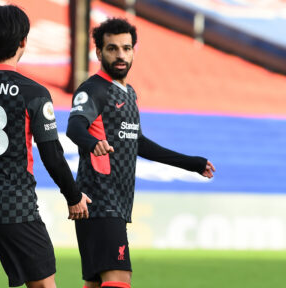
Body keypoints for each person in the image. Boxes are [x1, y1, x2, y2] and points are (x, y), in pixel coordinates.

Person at [0, 4, 91, 288]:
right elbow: (51, 154)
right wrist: (73, 196)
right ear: (23, 41)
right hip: (16, 210)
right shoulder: (33, 93)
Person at [66, 18, 216, 288]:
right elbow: (75, 127)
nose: (120, 54)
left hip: (114, 205)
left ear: (134, 51)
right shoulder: (93, 89)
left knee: (96, 283)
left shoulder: (129, 93)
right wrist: (91, 143)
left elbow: (139, 143)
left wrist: (191, 163)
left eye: (126, 48)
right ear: (99, 53)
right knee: (120, 279)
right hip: (100, 201)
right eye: (112, 48)